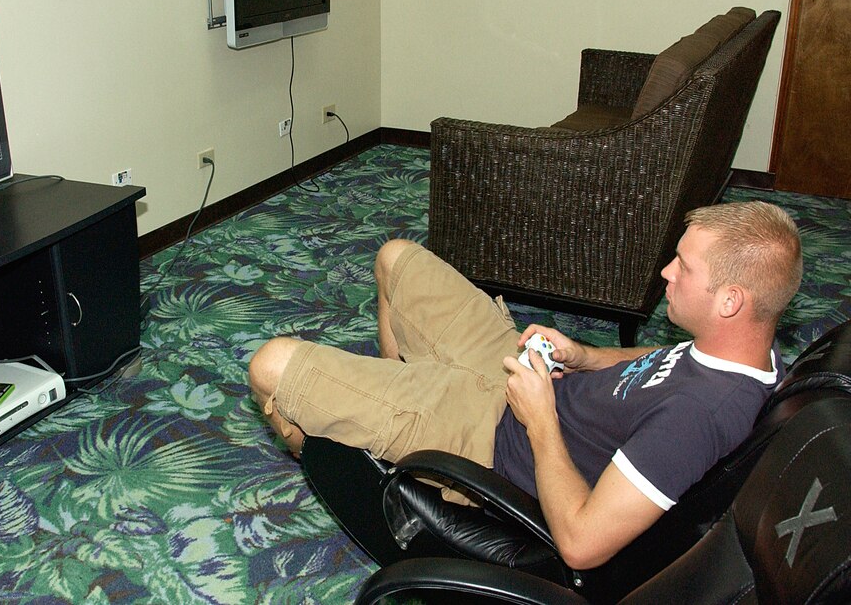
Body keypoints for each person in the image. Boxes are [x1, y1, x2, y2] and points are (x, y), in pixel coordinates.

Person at [248, 201, 802, 570]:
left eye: (683, 266)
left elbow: (582, 546)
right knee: (395, 259)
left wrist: (539, 419)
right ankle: (397, 404)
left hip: (491, 440)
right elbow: (660, 359)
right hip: (518, 378)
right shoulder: (744, 352)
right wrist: (583, 355)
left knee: (270, 367)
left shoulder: (697, 419)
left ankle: (360, 465)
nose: (667, 274)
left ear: (730, 300)